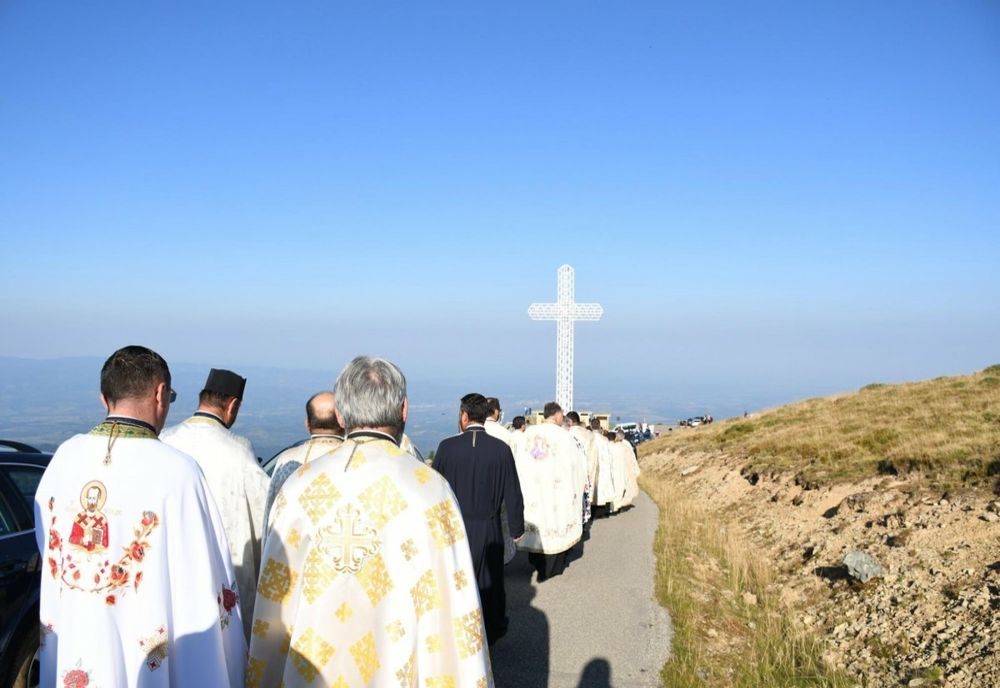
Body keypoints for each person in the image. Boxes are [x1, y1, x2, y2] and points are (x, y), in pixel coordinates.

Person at [248, 356, 492, 687]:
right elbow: (454, 609)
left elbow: (273, 605)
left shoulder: (298, 490)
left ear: (340, 413)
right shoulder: (431, 492)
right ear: (404, 409)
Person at [34, 346, 245, 686]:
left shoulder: (63, 459)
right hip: (146, 643)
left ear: (104, 398)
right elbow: (204, 576)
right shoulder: (178, 471)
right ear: (161, 393)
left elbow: (48, 548)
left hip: (75, 633)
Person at [161, 368, 268, 640]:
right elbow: (263, 517)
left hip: (171, 571)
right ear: (232, 406)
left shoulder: (165, 441)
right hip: (222, 573)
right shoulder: (238, 452)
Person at [433, 393, 525, 646]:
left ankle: (456, 626)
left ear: (463, 415)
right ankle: (492, 628)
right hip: (490, 525)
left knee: (458, 577)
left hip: (455, 526)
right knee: (491, 579)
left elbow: (434, 487)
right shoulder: (501, 449)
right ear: (486, 415)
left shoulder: (446, 447)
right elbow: (512, 492)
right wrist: (516, 527)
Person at [513, 402, 582, 581]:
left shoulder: (529, 433)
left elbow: (520, 462)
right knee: (556, 524)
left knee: (537, 523)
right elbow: (575, 465)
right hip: (557, 492)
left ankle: (536, 561)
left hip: (534, 490)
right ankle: (552, 568)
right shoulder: (564, 436)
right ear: (557, 415)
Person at [263, 391, 344, 532]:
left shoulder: (288, 459)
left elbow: (271, 514)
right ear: (344, 422)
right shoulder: (355, 460)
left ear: (307, 424)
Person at [482, 396, 518, 565]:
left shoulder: (472, 431)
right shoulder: (505, 434)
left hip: (477, 488)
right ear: (496, 412)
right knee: (501, 528)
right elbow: (514, 466)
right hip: (500, 488)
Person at [565, 411, 595, 527]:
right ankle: (585, 520)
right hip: (588, 468)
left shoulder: (569, 433)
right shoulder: (588, 433)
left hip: (575, 469)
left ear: (570, 421)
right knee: (585, 497)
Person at [590, 418, 616, 518]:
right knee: (603, 488)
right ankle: (604, 512)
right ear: (599, 426)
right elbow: (610, 455)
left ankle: (592, 512)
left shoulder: (589, 438)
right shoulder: (604, 440)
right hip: (604, 467)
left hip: (592, 467)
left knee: (593, 488)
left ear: (591, 426)